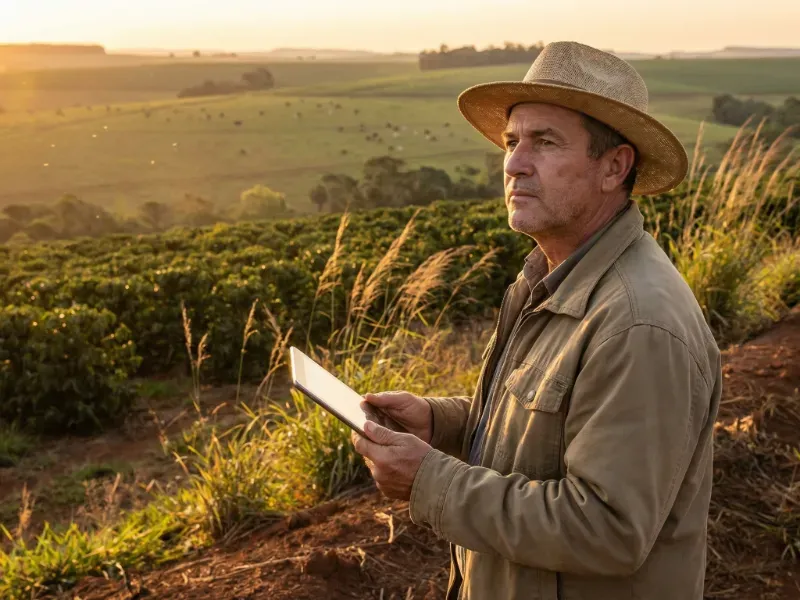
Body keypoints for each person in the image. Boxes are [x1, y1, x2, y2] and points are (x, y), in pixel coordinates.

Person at [352, 41, 722, 600]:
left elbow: (608, 531)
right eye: (511, 142)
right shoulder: (551, 279)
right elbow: (551, 427)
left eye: (545, 143)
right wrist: (443, 423)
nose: (514, 163)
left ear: (614, 166)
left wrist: (431, 479)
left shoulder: (639, 325)